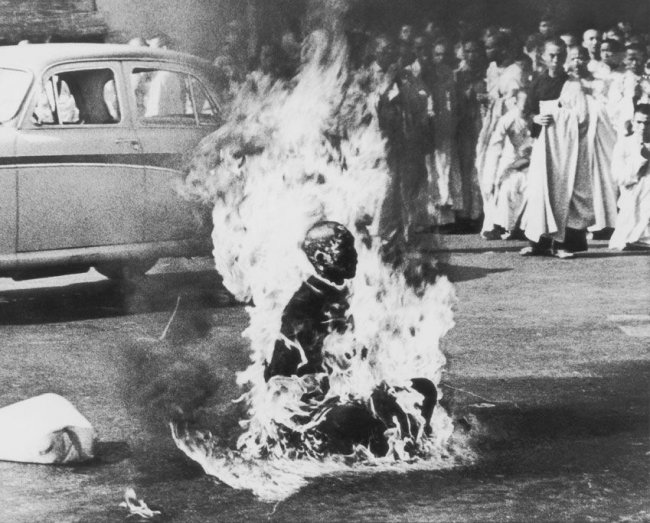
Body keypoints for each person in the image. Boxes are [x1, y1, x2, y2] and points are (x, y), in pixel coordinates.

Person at [264, 221, 438, 455]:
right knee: (353, 416)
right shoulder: (302, 306)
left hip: (349, 388)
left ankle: (408, 441)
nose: (355, 256)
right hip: (313, 404)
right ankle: (372, 443)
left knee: (424, 388)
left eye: (353, 249)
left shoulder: (341, 294)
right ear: (320, 257)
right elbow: (283, 376)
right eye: (345, 251)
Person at [521, 38, 595, 258]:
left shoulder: (573, 85)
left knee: (565, 191)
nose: (556, 59)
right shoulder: (536, 83)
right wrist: (536, 118)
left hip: (566, 149)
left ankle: (563, 244)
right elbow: (527, 112)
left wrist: (557, 115)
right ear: (542, 56)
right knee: (539, 191)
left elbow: (582, 118)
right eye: (551, 55)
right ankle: (538, 243)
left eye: (560, 55)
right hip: (544, 146)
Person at [475, 31, 527, 239]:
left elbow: (514, 102)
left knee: (501, 172)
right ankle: (494, 220)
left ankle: (507, 223)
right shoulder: (493, 69)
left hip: (508, 131)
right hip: (491, 126)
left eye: (491, 47)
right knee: (486, 170)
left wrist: (492, 99)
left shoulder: (515, 72)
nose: (487, 51)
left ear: (503, 48)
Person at [481, 91, 532, 239]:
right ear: (516, 103)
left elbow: (535, 147)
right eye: (523, 105)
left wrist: (522, 162)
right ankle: (499, 226)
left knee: (531, 188)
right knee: (504, 188)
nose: (526, 109)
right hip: (510, 162)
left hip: (529, 163)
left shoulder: (535, 118)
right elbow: (495, 146)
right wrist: (492, 175)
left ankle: (523, 228)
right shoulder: (507, 119)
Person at [424, 38, 463, 227]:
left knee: (446, 166)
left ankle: (448, 215)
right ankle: (433, 214)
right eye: (436, 54)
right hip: (430, 128)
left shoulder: (449, 77)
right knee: (433, 168)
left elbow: (452, 103)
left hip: (445, 127)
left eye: (443, 54)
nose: (440, 58)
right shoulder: (427, 77)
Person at [455, 38, 487, 228]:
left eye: (475, 51)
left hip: (482, 125)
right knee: (466, 168)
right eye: (467, 51)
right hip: (464, 127)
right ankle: (465, 213)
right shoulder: (457, 76)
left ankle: (480, 212)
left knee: (481, 167)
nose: (471, 55)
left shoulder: (488, 73)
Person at [609, 105, 650, 250]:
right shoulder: (623, 145)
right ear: (632, 122)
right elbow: (619, 178)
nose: (643, 127)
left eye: (647, 122)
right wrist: (640, 159)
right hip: (632, 203)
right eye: (639, 122)